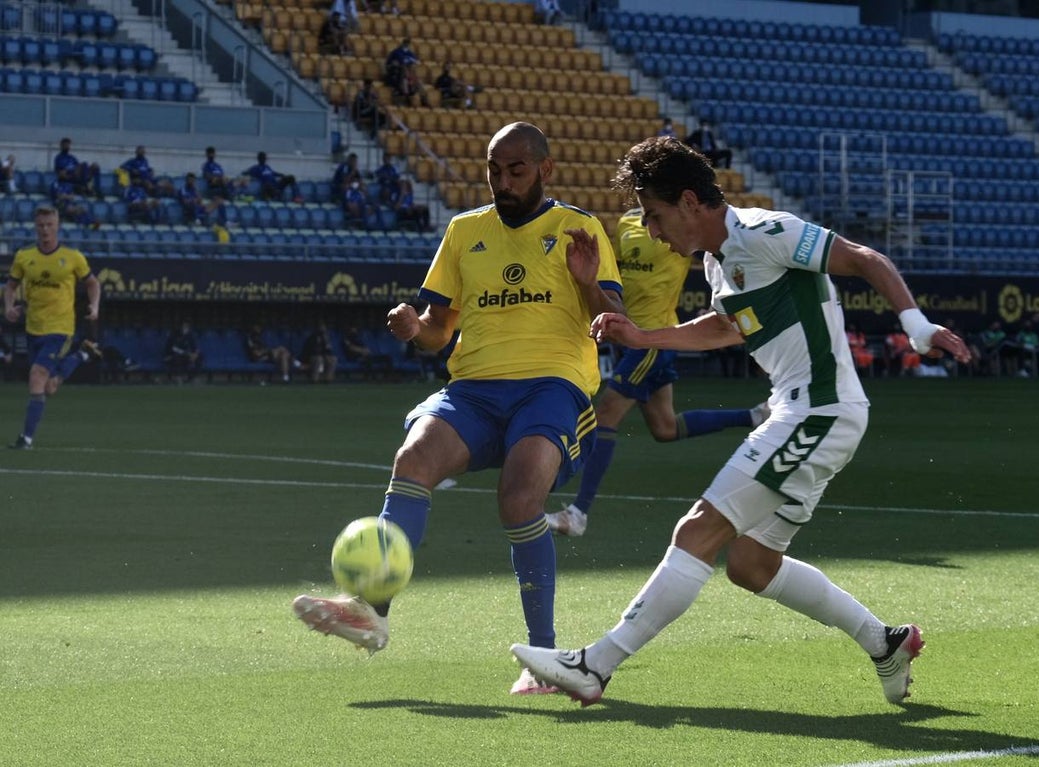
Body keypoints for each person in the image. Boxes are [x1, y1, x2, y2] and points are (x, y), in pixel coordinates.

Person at [511, 135, 971, 707]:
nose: (651, 231)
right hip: (804, 412)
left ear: (688, 201)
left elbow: (863, 258)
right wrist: (642, 335)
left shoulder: (765, 231)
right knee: (751, 566)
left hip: (818, 411)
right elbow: (727, 328)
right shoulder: (717, 260)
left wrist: (916, 324)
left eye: (654, 216)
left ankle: (596, 665)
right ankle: (884, 641)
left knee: (697, 529)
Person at [292, 122, 625, 696]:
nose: (502, 181)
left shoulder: (578, 227)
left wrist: (589, 282)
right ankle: (372, 612)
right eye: (493, 170)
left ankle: (544, 658)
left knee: (520, 496)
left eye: (515, 170)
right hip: (472, 387)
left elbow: (611, 321)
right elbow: (438, 332)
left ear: (545, 170)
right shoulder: (464, 230)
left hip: (552, 384)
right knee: (414, 457)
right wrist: (413, 327)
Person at [547, 207, 768, 537]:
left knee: (606, 413)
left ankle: (578, 513)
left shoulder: (676, 224)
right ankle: (754, 417)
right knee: (665, 427)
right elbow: (618, 272)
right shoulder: (624, 223)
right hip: (627, 334)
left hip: (654, 337)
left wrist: (719, 300)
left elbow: (716, 249)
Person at [5, 205, 102, 449]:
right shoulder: (24, 256)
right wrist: (9, 307)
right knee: (48, 386)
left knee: (36, 376)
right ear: (35, 227)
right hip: (33, 328)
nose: (45, 230)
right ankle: (82, 354)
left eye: (50, 225)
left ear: (57, 226)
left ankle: (25, 439)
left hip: (61, 328)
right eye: (41, 225)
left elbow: (93, 283)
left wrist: (94, 306)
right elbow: (11, 286)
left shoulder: (72, 257)